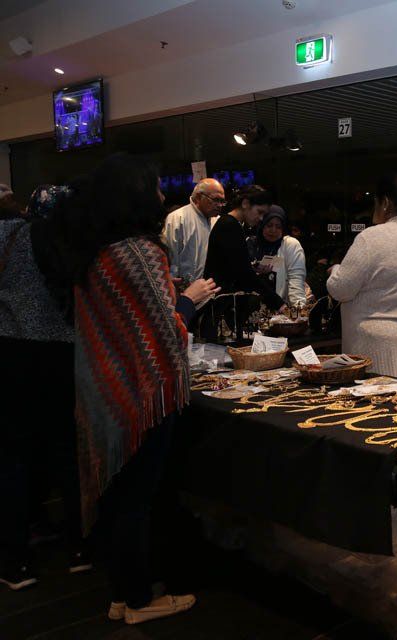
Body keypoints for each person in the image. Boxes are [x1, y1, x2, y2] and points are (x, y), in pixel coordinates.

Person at [37, 153, 219, 623]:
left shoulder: (96, 251)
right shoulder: (141, 252)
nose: (162, 196)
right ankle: (139, 600)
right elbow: (164, 330)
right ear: (135, 195)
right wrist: (190, 300)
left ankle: (122, 593)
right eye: (156, 187)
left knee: (117, 497)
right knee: (137, 499)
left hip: (104, 392)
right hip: (144, 396)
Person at [0, 185, 87, 591]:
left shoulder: (9, 235)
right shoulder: (72, 244)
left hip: (12, 353)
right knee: (66, 450)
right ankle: (79, 550)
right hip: (62, 356)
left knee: (14, 456)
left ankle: (15, 562)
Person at [326, 173, 397, 382]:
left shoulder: (372, 237)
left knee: (378, 411)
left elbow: (340, 289)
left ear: (385, 202)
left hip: (377, 349)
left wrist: (335, 270)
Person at [204, 184, 283, 310]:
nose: (261, 218)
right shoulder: (229, 225)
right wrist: (279, 303)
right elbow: (244, 275)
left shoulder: (231, 223)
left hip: (222, 300)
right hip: (221, 302)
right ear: (245, 203)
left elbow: (233, 267)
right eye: (260, 212)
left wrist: (252, 268)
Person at [161, 178, 224, 284]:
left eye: (222, 201)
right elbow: (170, 259)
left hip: (211, 288)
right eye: (216, 200)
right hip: (183, 289)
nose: (220, 205)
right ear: (199, 197)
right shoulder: (177, 219)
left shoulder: (218, 221)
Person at [247, 205, 308, 308]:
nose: (273, 230)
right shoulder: (250, 243)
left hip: (280, 309)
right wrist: (256, 272)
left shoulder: (290, 245)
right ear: (262, 224)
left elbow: (296, 278)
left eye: (278, 227)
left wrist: (298, 309)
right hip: (250, 309)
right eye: (269, 225)